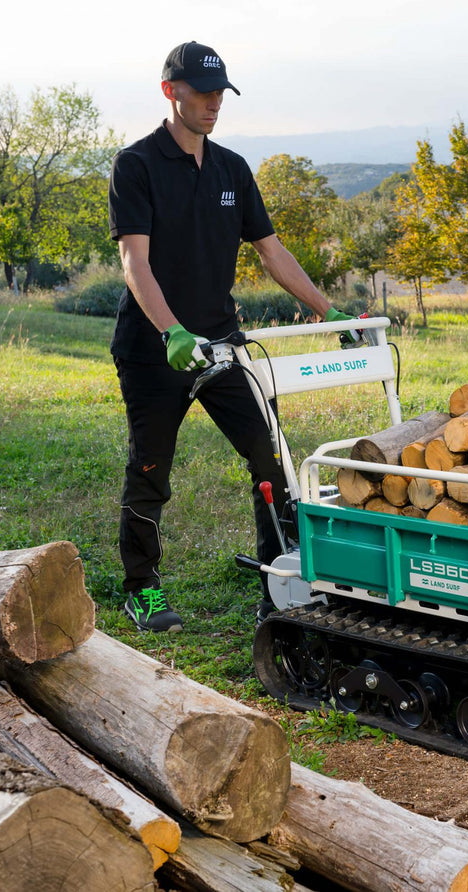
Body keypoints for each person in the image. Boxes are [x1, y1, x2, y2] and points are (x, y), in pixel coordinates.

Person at [107, 40, 347, 632]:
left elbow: (271, 251)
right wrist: (171, 331)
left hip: (220, 345)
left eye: (220, 93)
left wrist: (328, 311)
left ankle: (281, 575)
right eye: (202, 93)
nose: (214, 104)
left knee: (269, 458)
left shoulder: (231, 169)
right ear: (171, 92)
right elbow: (135, 263)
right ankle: (142, 586)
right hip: (154, 349)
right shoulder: (135, 165)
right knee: (150, 471)